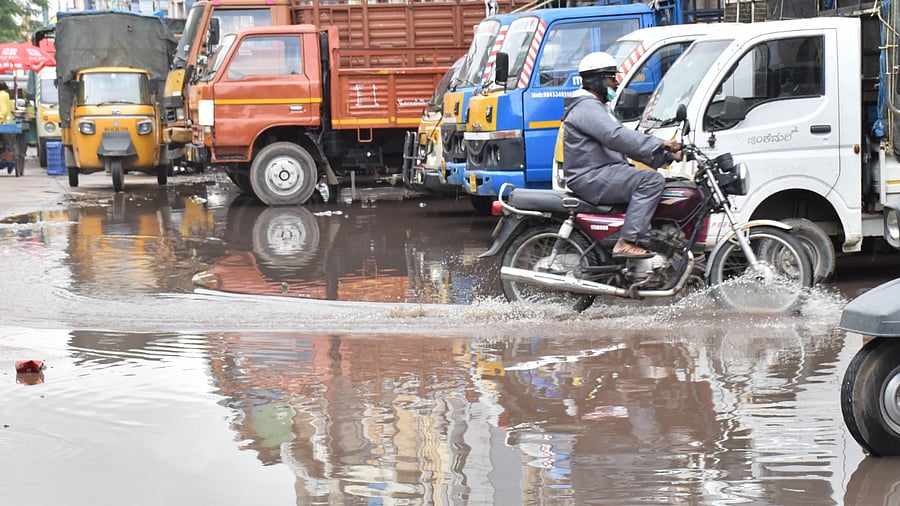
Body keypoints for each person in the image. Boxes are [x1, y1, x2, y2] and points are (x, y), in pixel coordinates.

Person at [562, 52, 682, 258]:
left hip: (602, 172)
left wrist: (666, 157)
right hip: (591, 176)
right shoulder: (586, 107)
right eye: (611, 78)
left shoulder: (597, 107)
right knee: (651, 181)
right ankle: (628, 241)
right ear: (596, 79)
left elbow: (623, 145)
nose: (615, 83)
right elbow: (616, 137)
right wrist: (659, 143)